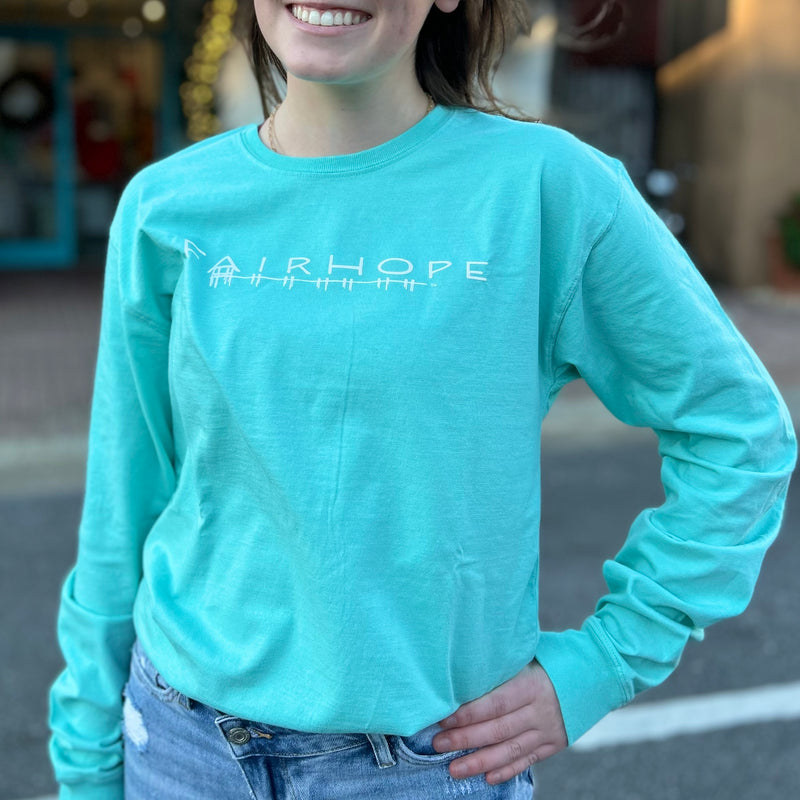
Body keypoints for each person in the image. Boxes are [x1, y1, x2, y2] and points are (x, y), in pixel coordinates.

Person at [49, 1, 797, 798]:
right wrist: (87, 761)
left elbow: (739, 432)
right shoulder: (167, 205)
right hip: (178, 746)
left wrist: (604, 661)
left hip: (426, 765)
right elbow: (123, 503)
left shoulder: (546, 187)